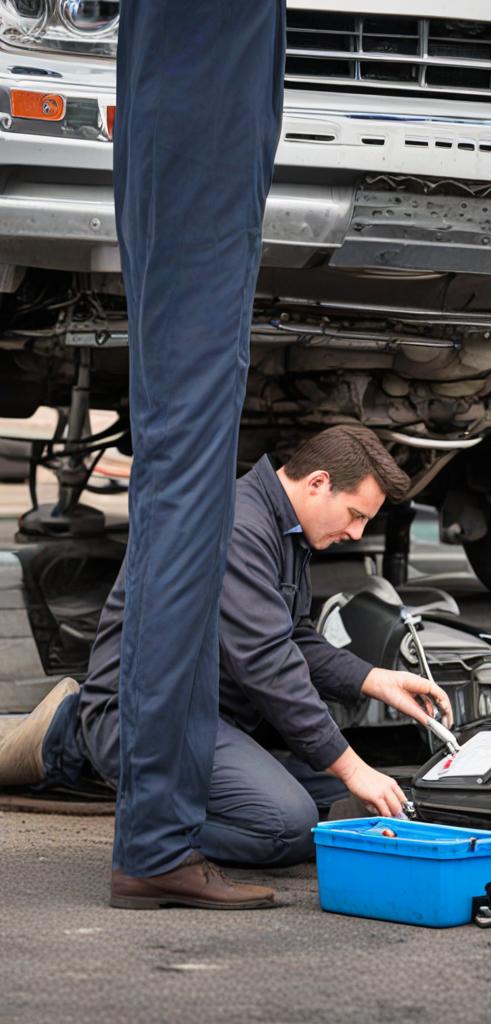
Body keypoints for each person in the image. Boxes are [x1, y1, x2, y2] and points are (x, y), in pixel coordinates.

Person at [0, 426, 451, 909]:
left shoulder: (282, 526)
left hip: (205, 717)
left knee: (342, 798)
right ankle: (142, 811)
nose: (357, 533)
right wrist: (351, 764)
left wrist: (374, 680)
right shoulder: (238, 525)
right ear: (318, 483)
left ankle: (102, 752)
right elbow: (267, 661)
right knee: (287, 827)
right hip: (148, 716)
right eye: (356, 515)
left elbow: (292, 637)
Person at [108, 2, 286, 904]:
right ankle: (154, 842)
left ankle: (153, 830)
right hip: (201, 166)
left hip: (188, 151)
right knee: (185, 499)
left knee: (182, 491)